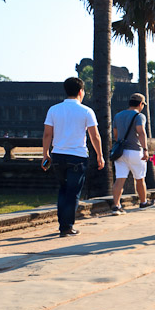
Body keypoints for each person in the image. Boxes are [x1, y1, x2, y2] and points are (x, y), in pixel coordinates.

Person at [42, 77, 104, 237]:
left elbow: (47, 134)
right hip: (77, 156)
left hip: (58, 155)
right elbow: (94, 136)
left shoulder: (53, 109)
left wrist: (45, 154)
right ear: (80, 91)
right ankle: (66, 226)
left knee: (63, 189)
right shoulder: (86, 111)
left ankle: (63, 224)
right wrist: (100, 155)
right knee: (73, 192)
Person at [111, 93, 154, 214]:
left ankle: (116, 205)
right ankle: (143, 202)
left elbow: (115, 134)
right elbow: (141, 133)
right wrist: (145, 150)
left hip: (120, 152)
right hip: (135, 151)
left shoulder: (118, 116)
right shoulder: (139, 116)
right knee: (140, 179)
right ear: (141, 104)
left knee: (119, 179)